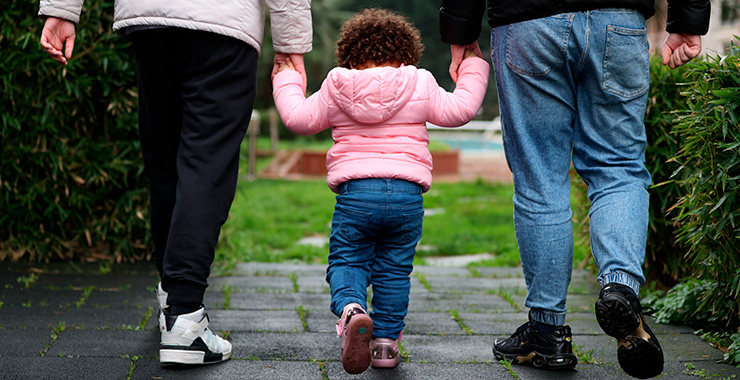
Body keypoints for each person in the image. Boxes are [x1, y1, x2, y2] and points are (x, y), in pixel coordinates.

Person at [440, 0, 709, 378]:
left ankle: (547, 333)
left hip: (529, 22)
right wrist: (688, 17)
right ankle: (619, 288)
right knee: (618, 168)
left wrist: (460, 30)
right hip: (619, 20)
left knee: (540, 178)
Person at [39, 0, 312, 366]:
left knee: (164, 159)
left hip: (150, 18)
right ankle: (184, 317)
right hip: (223, 23)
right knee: (206, 164)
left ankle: (172, 297)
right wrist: (290, 43)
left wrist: (62, 9)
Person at [272, 8, 489, 374]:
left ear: (350, 56)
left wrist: (287, 77)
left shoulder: (337, 84)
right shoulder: (418, 82)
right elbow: (462, 108)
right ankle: (385, 346)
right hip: (406, 196)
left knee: (348, 260)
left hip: (357, 194)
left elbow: (298, 119)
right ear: (406, 53)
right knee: (394, 270)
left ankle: (352, 310)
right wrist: (471, 65)